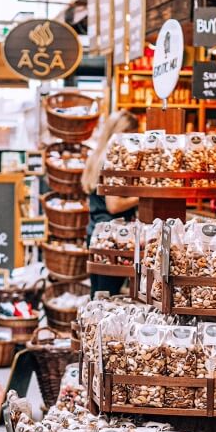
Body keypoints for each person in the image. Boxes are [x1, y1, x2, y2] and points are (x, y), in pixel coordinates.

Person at [82, 110, 139, 297]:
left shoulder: (97, 156)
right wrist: (144, 196)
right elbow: (113, 206)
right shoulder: (114, 160)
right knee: (108, 295)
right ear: (122, 132)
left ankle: (90, 325)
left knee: (98, 295)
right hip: (113, 237)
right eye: (133, 134)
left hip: (97, 232)